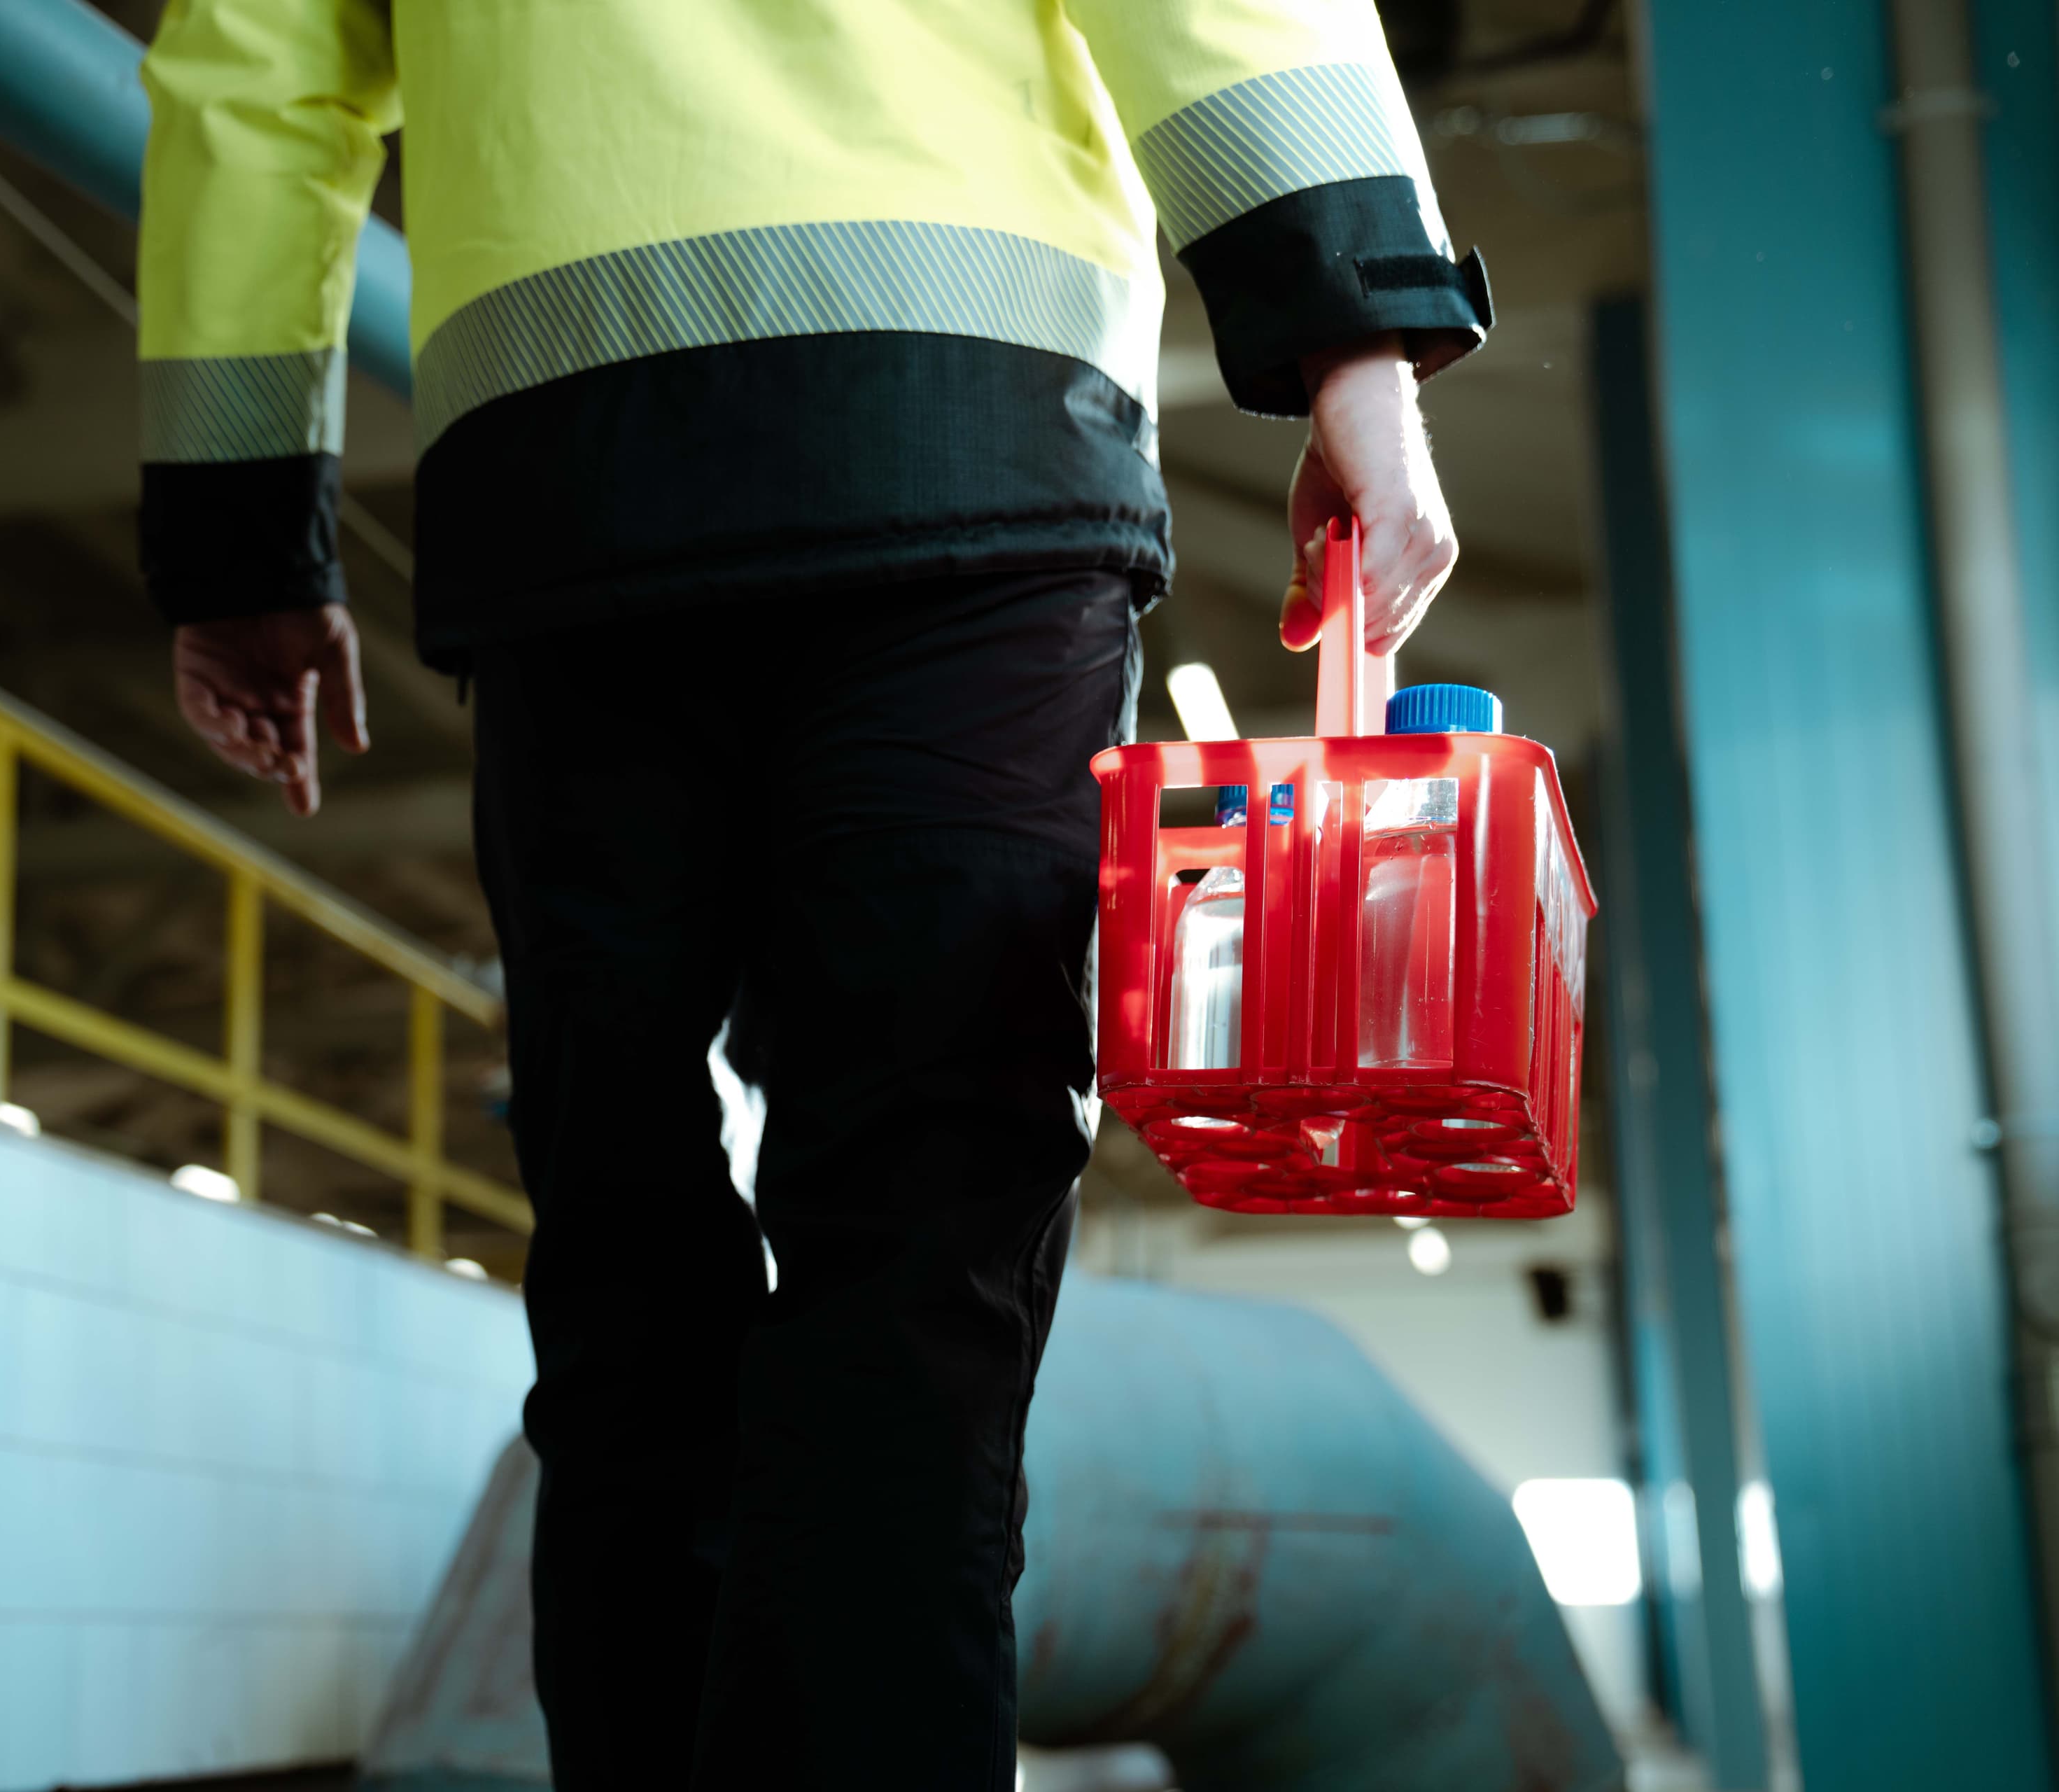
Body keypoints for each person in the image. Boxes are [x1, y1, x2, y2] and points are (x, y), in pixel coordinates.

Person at [136, 1, 1483, 1784]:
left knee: (624, 1263)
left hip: (574, 488)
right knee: (922, 1248)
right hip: (967, 430)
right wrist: (1359, 341)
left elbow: (257, 61)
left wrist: (240, 528)